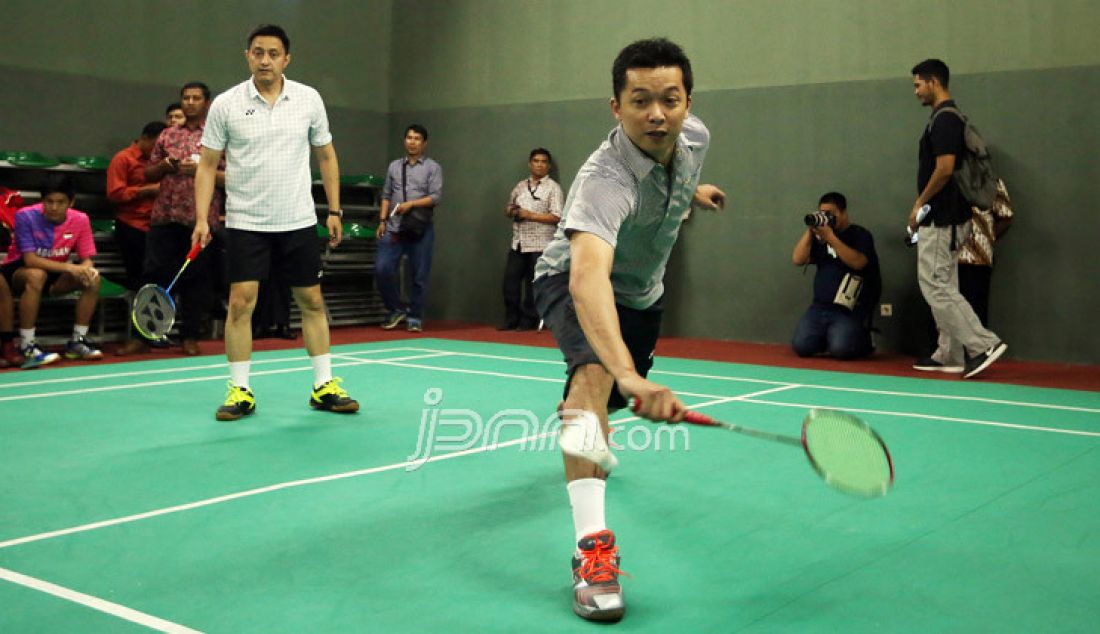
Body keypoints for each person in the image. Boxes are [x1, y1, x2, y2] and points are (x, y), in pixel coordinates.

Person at [532, 38, 725, 622]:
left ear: (688, 102)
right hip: (572, 280)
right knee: (595, 378)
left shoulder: (695, 139)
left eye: (670, 99)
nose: (657, 114)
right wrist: (624, 372)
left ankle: (580, 409)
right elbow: (588, 278)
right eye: (640, 101)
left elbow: (673, 184)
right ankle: (593, 552)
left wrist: (695, 193)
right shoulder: (602, 179)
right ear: (615, 107)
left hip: (643, 295)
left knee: (599, 411)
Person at [194, 23, 359, 421]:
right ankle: (240, 390)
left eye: (272, 53)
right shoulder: (227, 104)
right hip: (247, 221)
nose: (264, 59)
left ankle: (324, 386)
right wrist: (202, 218)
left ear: (286, 59)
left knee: (312, 302)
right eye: (257, 52)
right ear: (247, 56)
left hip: (298, 219)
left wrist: (334, 211)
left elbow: (326, 157)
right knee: (240, 304)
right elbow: (207, 165)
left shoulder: (308, 99)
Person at [909, 59, 1007, 378]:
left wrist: (919, 205)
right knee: (945, 282)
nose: (916, 91)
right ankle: (949, 353)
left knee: (934, 284)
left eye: (918, 84)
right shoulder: (943, 118)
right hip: (946, 216)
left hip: (943, 216)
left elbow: (945, 169)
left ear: (934, 81)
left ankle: (982, 344)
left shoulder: (946, 120)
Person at [132, 82, 223, 358]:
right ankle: (143, 335)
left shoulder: (217, 136)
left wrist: (201, 170)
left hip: (199, 220)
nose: (190, 102)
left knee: (197, 280)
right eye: (186, 98)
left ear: (207, 102)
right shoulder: (166, 135)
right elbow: (148, 174)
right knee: (152, 275)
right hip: (164, 217)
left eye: (196, 98)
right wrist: (163, 166)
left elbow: (231, 176)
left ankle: (190, 337)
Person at [0, 175, 102, 369]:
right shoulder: (25, 216)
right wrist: (72, 267)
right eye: (49, 201)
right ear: (42, 201)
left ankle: (78, 341)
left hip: (55, 274)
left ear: (71, 202)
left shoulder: (81, 219)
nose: (54, 207)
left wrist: (87, 269)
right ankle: (26, 344)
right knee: (36, 274)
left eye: (60, 202)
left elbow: (87, 257)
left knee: (94, 279)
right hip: (19, 273)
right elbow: (30, 260)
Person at [791, 192, 880, 359]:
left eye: (831, 214)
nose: (827, 218)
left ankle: (863, 339)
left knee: (842, 350)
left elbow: (858, 262)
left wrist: (831, 237)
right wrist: (811, 231)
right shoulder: (820, 239)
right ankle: (828, 337)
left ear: (844, 213)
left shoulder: (860, 235)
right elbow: (798, 259)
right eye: (822, 214)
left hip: (848, 308)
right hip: (820, 307)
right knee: (802, 347)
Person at [374, 124, 443, 333]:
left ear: (424, 143)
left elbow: (436, 197)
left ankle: (415, 316)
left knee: (419, 275)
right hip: (394, 227)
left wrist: (411, 204)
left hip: (419, 228)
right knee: (382, 268)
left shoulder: (433, 168)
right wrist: (382, 220)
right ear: (404, 141)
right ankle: (396, 308)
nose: (412, 142)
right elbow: (386, 195)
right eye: (409, 138)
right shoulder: (394, 166)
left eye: (417, 138)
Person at [499, 148, 563, 331]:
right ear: (530, 163)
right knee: (510, 283)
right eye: (536, 161)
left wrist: (529, 215)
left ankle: (528, 321)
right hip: (518, 242)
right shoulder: (520, 186)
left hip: (540, 244)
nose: (539, 164)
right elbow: (508, 207)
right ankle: (511, 319)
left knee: (532, 285)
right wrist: (512, 211)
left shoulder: (553, 188)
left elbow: (557, 216)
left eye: (543, 161)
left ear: (548, 166)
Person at [106, 121, 166, 293]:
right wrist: (146, 191)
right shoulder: (123, 159)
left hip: (156, 225)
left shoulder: (160, 162)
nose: (158, 151)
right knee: (138, 276)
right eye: (156, 146)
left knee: (158, 275)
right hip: (131, 224)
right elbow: (114, 194)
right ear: (145, 138)